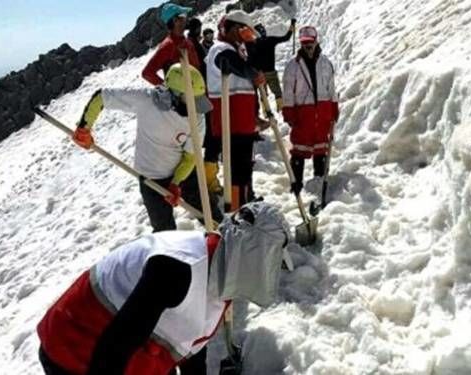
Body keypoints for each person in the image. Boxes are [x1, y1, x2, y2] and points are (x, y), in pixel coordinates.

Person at [36, 201, 293, 375]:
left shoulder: (220, 274)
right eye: (273, 263)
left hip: (125, 350)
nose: (272, 273)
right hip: (74, 348)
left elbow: (189, 347)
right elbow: (114, 348)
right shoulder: (176, 270)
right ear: (254, 254)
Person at [72, 64, 222, 232]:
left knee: (210, 214)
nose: (196, 107)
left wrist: (176, 183)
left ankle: (226, 242)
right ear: (174, 94)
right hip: (151, 178)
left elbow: (190, 158)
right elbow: (102, 97)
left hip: (183, 172)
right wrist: (84, 128)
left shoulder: (198, 118)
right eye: (191, 101)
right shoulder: (146, 100)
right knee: (164, 231)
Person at [204, 11, 266, 210]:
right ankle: (237, 209)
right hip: (229, 123)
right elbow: (231, 64)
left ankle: (247, 200)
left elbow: (247, 86)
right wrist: (252, 72)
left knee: (245, 168)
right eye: (244, 31)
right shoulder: (219, 49)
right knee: (237, 171)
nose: (247, 36)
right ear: (233, 29)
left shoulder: (239, 49)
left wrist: (254, 116)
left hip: (243, 122)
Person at [282, 26, 339, 196]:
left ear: (316, 41)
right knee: (299, 148)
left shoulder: (326, 63)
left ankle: (319, 182)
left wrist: (334, 107)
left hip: (322, 111)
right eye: (304, 43)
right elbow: (288, 91)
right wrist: (289, 111)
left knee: (321, 147)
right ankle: (296, 186)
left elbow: (331, 87)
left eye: (310, 42)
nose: (308, 46)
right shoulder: (293, 65)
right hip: (303, 113)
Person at [142, 3, 201, 86]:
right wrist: (168, 88)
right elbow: (147, 73)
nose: (186, 18)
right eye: (183, 15)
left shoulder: (187, 41)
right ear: (175, 20)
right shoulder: (168, 45)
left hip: (198, 91)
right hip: (184, 97)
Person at [246, 19, 295, 111]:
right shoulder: (270, 40)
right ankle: (280, 109)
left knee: (263, 94)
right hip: (271, 72)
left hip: (259, 73)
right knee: (277, 92)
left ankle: (266, 112)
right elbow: (286, 37)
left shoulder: (252, 43)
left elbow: (250, 59)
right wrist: (292, 25)